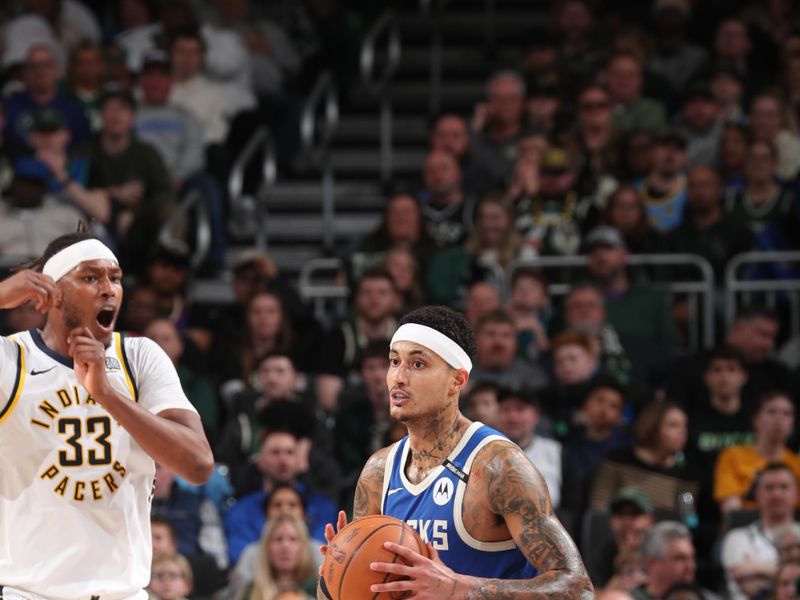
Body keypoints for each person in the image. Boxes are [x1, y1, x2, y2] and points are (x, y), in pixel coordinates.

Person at [318, 305, 593, 598]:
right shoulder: (379, 471)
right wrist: (337, 572)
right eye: (394, 361)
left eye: (418, 364)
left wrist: (460, 589)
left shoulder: (498, 466)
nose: (398, 377)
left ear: (457, 381)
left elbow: (578, 589)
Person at [0, 227, 213, 598]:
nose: (108, 288)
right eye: (90, 277)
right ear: (53, 294)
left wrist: (108, 396)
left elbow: (198, 465)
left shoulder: (139, 356)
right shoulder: (11, 360)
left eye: (115, 278)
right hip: (32, 593)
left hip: (123, 592)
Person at [720, 463, 799, 600]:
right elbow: (743, 583)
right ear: (757, 494)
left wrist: (758, 568)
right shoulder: (738, 538)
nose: (776, 494)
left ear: (797, 494)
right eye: (769, 488)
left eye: (784, 487)